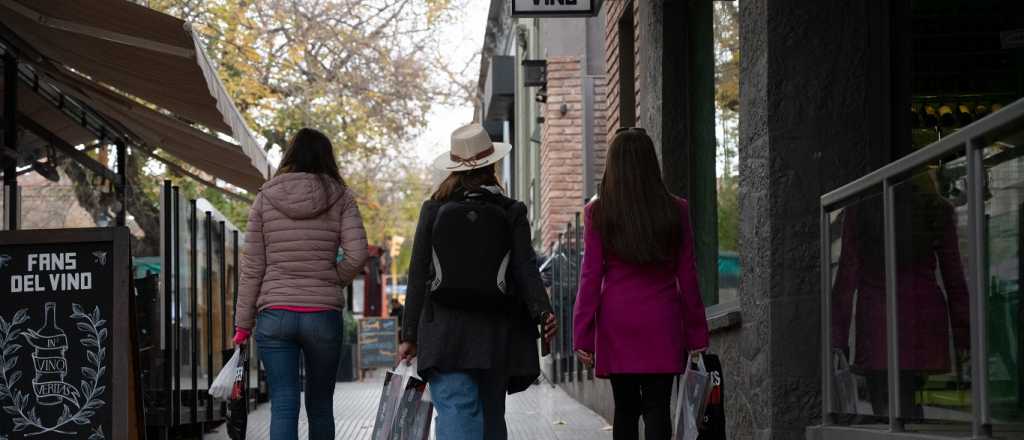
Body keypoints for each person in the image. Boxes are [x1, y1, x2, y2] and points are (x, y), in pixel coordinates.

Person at [398, 123, 558, 440]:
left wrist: (409, 335)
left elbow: (417, 276)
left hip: (443, 334)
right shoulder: (511, 210)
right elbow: (525, 269)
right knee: (491, 414)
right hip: (494, 334)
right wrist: (543, 311)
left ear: (454, 168)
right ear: (491, 164)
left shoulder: (433, 210)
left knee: (457, 410)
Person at [573, 127, 710, 440]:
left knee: (625, 409)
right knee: (658, 407)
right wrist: (697, 333)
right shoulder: (676, 210)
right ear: (651, 164)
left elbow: (590, 277)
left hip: (617, 323)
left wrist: (582, 335)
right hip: (662, 321)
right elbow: (687, 275)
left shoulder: (599, 212)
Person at [233, 128, 369, 440]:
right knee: (320, 404)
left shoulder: (265, 198)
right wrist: (332, 278)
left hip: (275, 315)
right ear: (327, 158)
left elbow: (252, 266)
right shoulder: (341, 197)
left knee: (283, 403)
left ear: (290, 155)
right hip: (323, 315)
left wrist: (242, 324)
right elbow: (358, 254)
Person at [831, 171, 969, 420]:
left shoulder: (861, 208)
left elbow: (846, 277)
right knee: (909, 400)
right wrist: (964, 336)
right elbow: (954, 276)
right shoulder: (936, 208)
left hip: (878, 320)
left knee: (884, 406)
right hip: (923, 319)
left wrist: (837, 341)